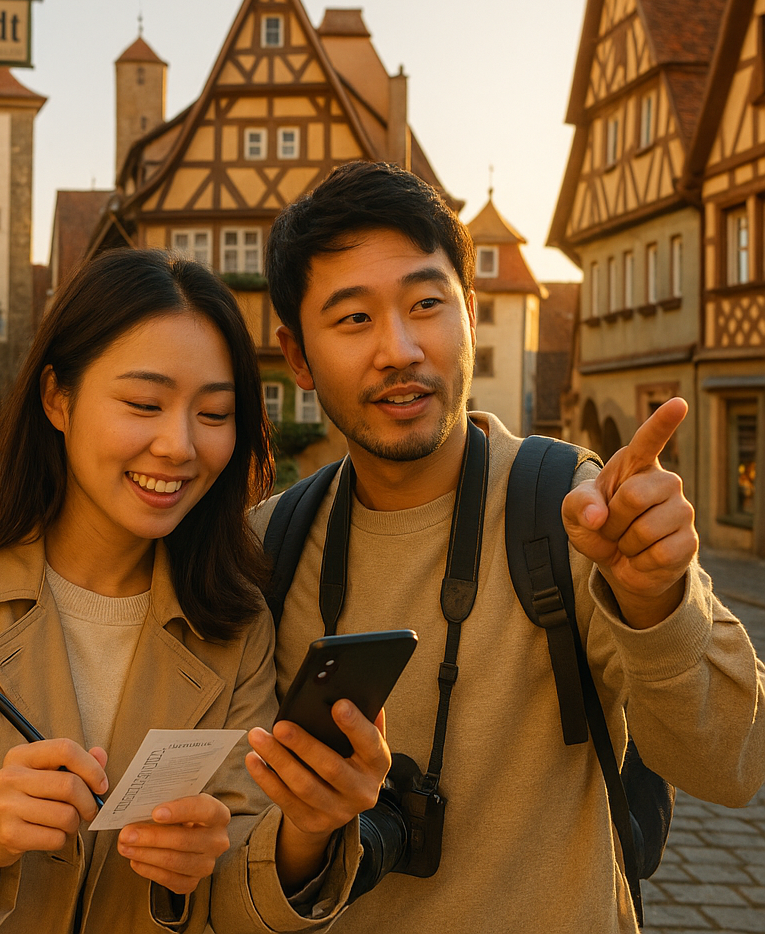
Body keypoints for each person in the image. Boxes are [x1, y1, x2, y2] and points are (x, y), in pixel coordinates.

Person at [0, 250, 389, 934]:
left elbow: (235, 891)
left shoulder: (234, 625)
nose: (178, 445)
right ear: (58, 398)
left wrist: (306, 832)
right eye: (143, 404)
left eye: (213, 413)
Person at [247, 160, 765, 933]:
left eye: (427, 304)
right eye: (353, 319)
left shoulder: (573, 508)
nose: (399, 349)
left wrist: (658, 599)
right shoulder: (266, 546)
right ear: (297, 358)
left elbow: (730, 767)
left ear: (471, 313)